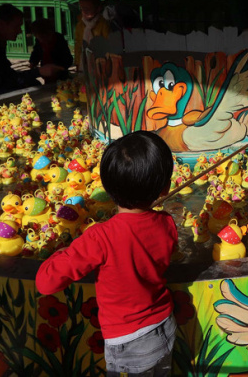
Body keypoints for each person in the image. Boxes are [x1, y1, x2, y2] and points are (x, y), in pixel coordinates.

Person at [36, 131, 178, 377]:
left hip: (129, 342)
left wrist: (63, 251)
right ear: (165, 188)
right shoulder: (166, 222)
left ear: (107, 186)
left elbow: (45, 283)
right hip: (165, 325)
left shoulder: (100, 237)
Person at [0, 4, 57, 98]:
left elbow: (6, 72)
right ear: (1, 25)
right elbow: (3, 78)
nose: (20, 31)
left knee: (34, 83)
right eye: (17, 26)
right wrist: (38, 72)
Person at [74, 0, 111, 71]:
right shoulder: (80, 25)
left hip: (100, 63)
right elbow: (78, 45)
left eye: (88, 9)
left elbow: (108, 46)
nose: (84, 11)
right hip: (83, 63)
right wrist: (77, 63)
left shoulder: (103, 24)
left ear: (98, 8)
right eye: (82, 8)